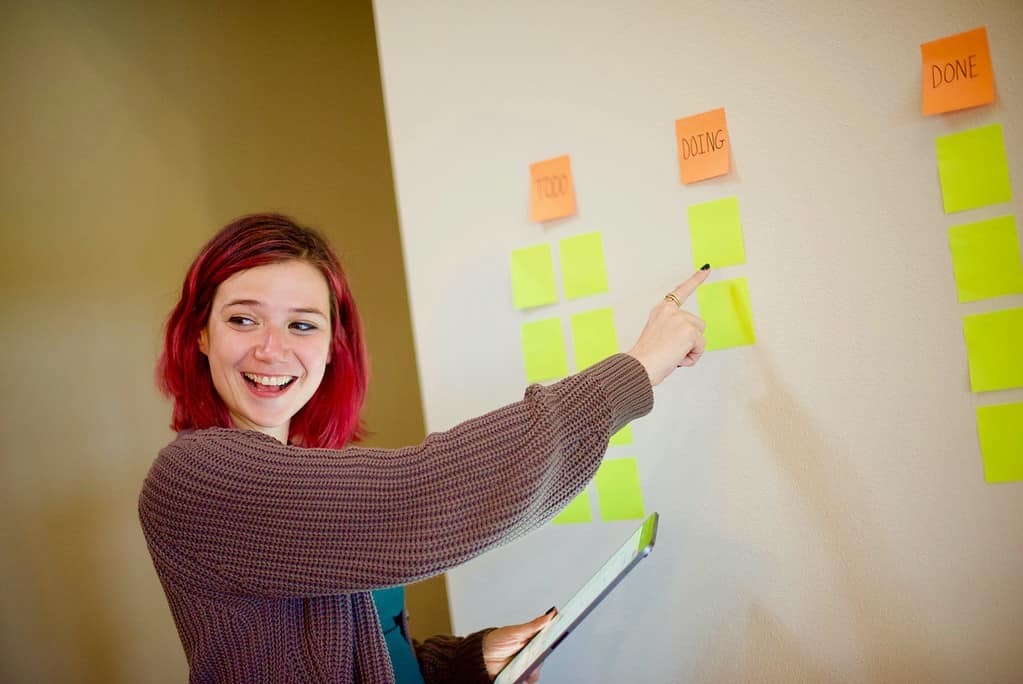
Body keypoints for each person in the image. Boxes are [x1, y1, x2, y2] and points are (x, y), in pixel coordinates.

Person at [139, 213, 709, 683]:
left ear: (334, 347)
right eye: (244, 319)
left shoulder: (312, 469)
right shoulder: (196, 476)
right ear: (201, 334)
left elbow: (371, 650)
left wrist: (465, 662)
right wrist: (636, 370)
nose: (272, 349)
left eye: (302, 325)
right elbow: (422, 495)